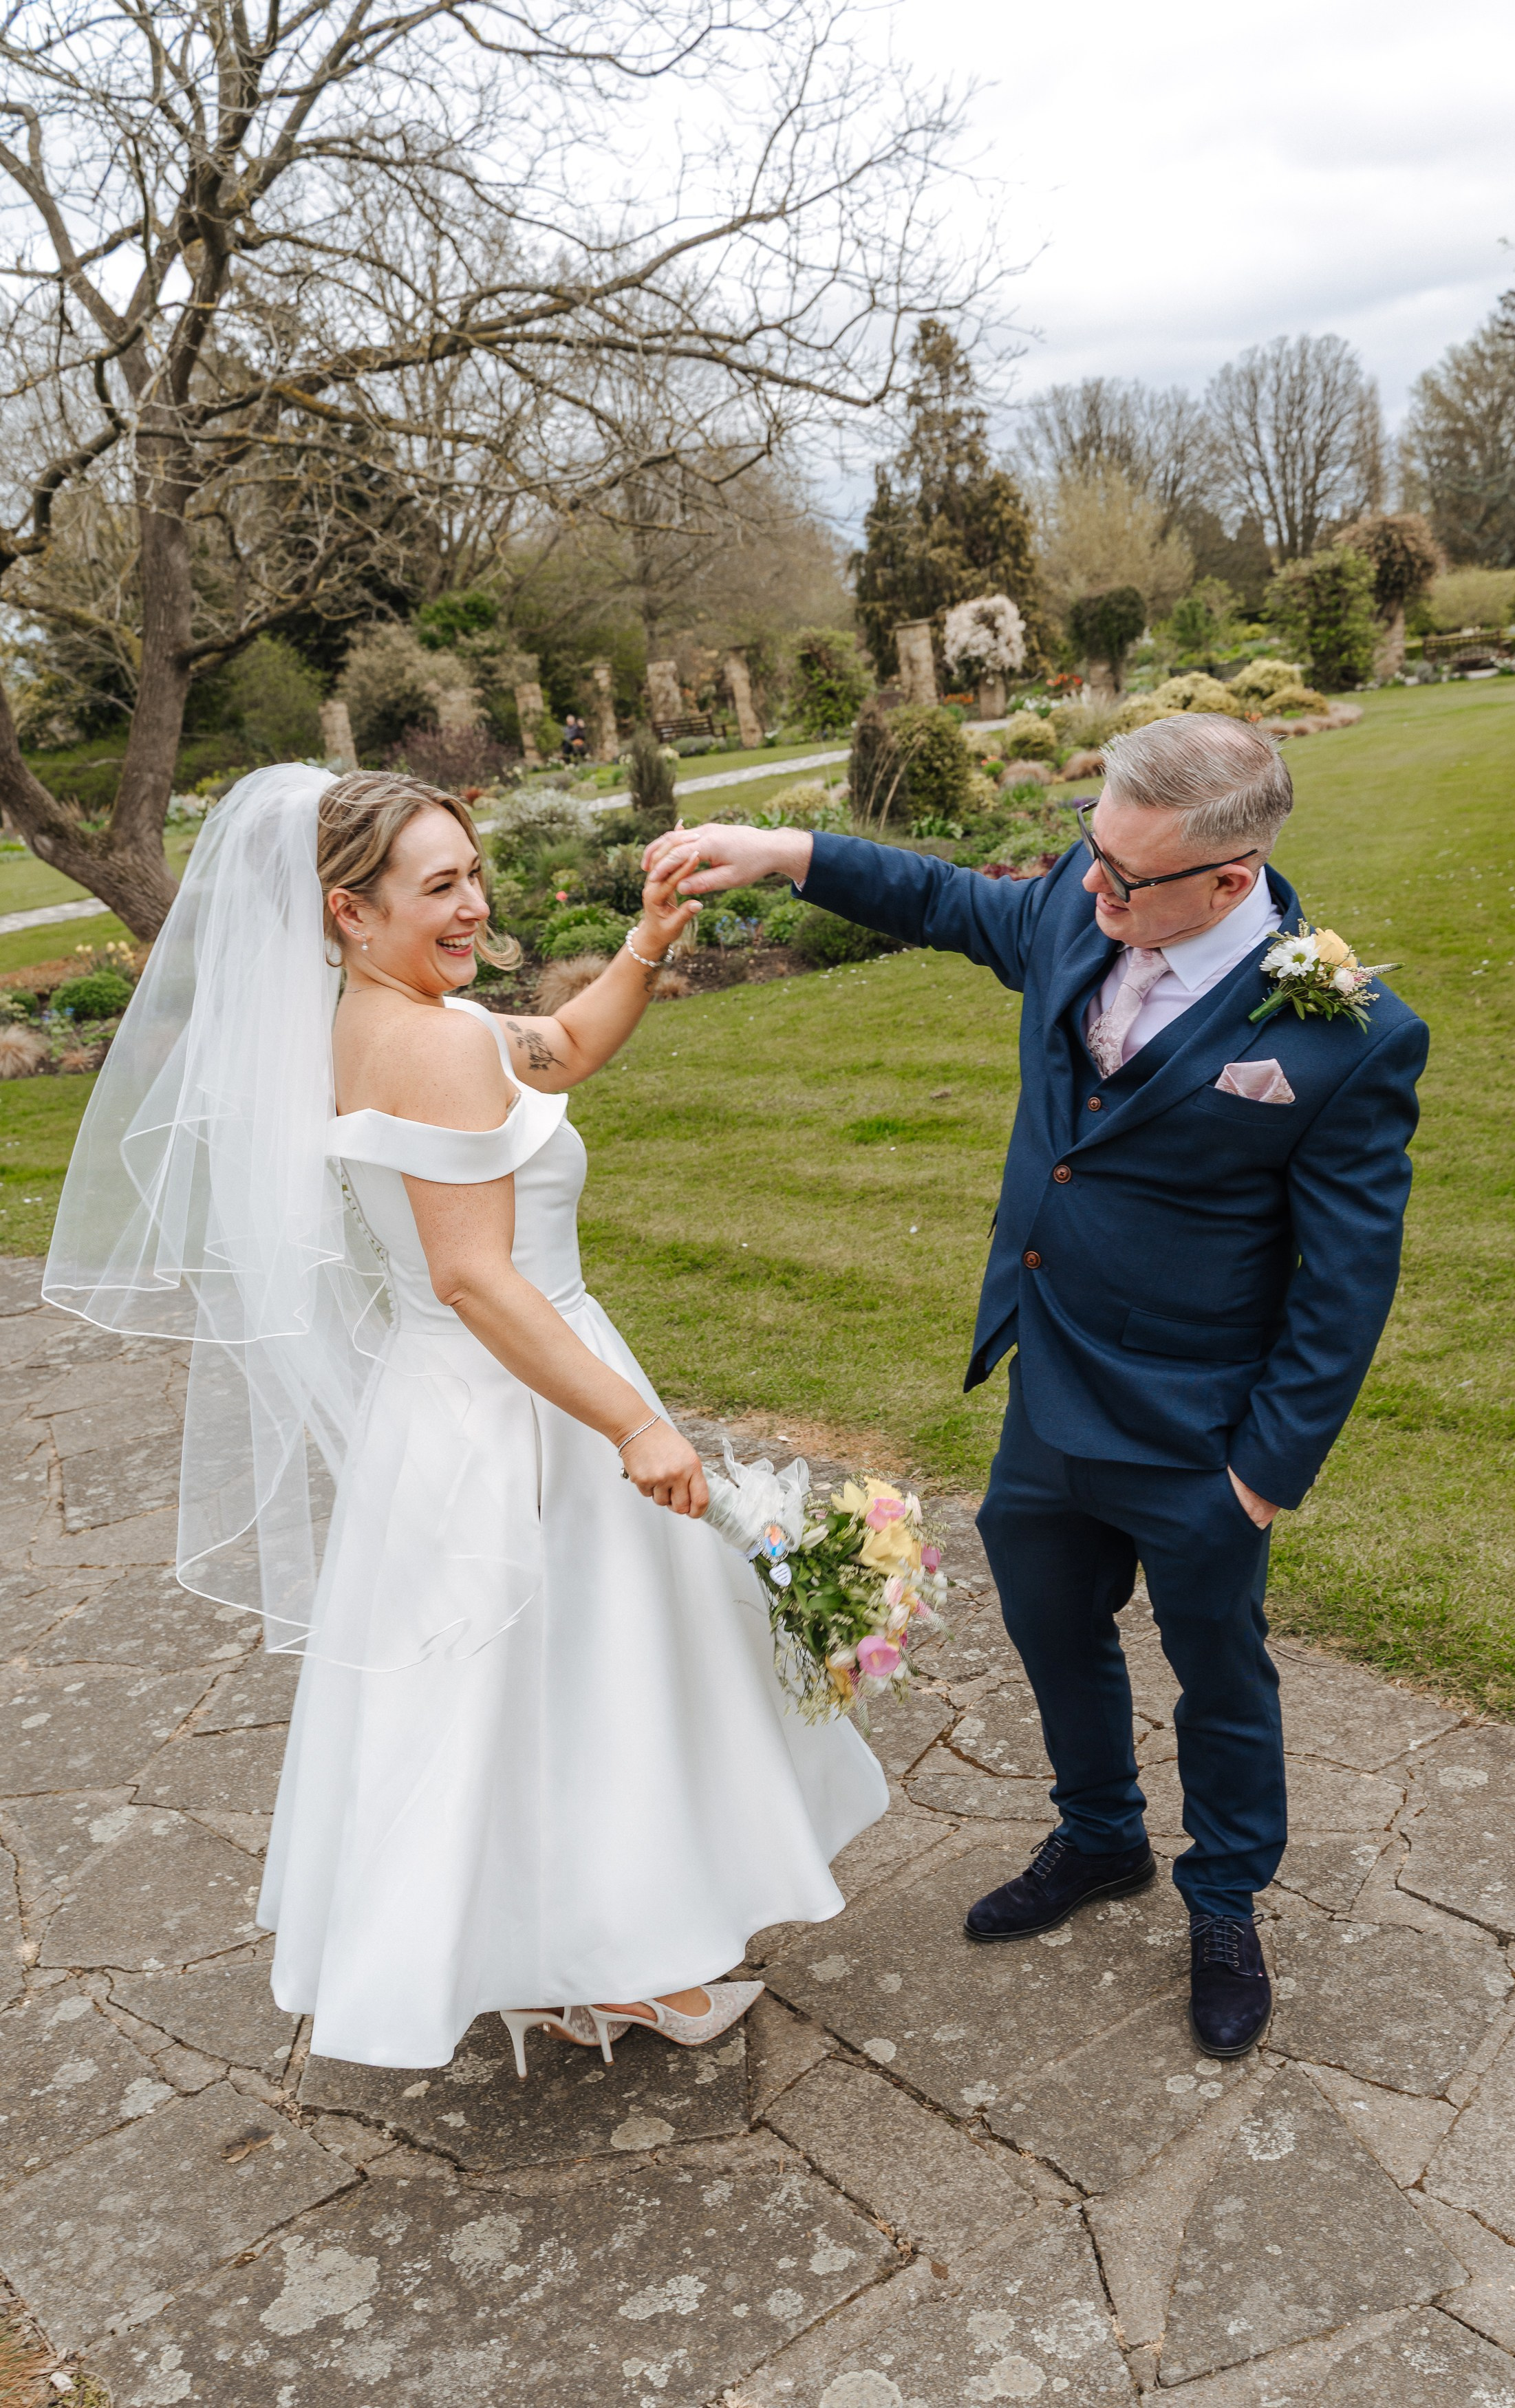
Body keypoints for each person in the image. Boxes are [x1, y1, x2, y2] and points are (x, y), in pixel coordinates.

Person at [44, 766, 885, 2071]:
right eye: (439, 887)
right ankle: (614, 1958)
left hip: (445, 1404)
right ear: (347, 908)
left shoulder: (378, 1020)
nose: (473, 906)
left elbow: (560, 1050)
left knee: (516, 1695)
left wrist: (645, 944)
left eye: (473, 874)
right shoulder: (432, 1042)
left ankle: (564, 1957)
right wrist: (633, 1426)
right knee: (586, 1686)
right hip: (526, 1400)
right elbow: (474, 1277)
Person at [647, 713, 1428, 2058]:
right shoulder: (1082, 906)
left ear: (1231, 879)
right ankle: (1099, 1834)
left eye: (1130, 879)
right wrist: (780, 850)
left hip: (1198, 1435)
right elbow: (949, 899)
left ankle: (1224, 1893)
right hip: (1048, 1386)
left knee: (1217, 1674)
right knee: (1053, 1627)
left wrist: (1258, 1473)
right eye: (1092, 858)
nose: (1095, 892)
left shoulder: (1343, 1039)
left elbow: (1345, 1284)